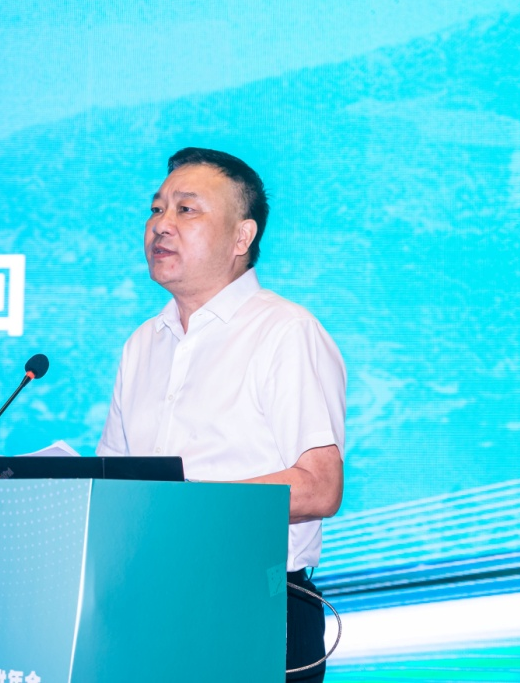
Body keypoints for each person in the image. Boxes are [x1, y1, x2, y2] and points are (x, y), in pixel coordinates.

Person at [98, 147, 346, 682]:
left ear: (241, 237)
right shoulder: (143, 343)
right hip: (149, 600)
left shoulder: (285, 332)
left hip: (253, 603)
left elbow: (320, 487)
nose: (161, 225)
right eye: (156, 209)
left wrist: (188, 506)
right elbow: (114, 481)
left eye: (186, 210)